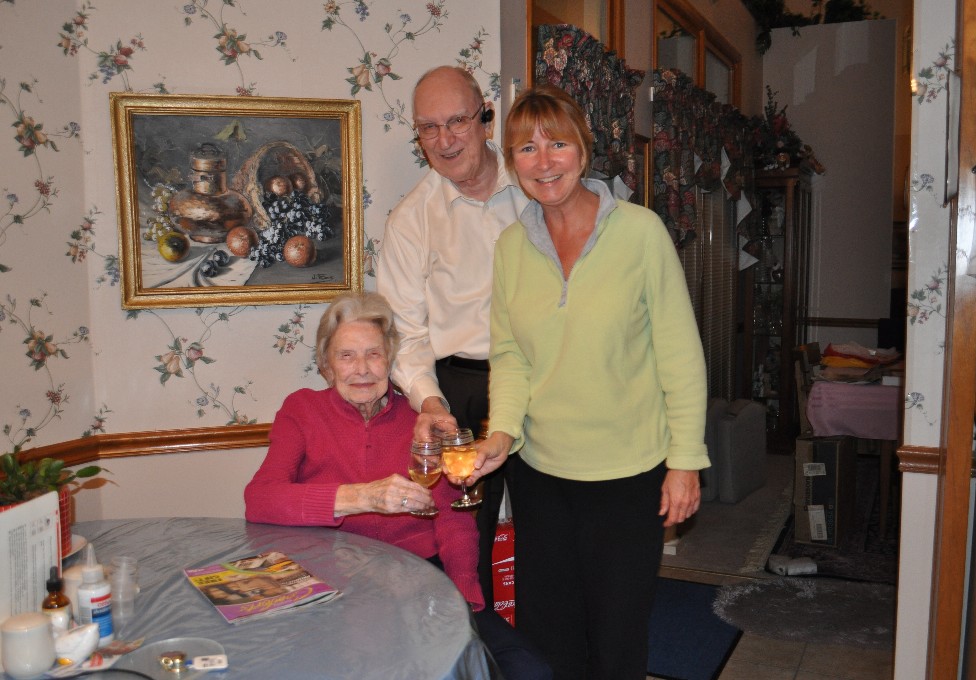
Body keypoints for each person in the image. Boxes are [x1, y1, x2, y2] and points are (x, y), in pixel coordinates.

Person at [465, 85, 711, 679]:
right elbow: (511, 356)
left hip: (628, 474)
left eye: (557, 144)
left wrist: (685, 460)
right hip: (541, 475)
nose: (544, 161)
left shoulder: (640, 232)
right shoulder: (511, 247)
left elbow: (680, 355)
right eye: (526, 148)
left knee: (616, 639)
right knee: (549, 636)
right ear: (512, 162)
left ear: (583, 149)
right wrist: (502, 433)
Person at [244, 291, 550, 680]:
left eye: (373, 354)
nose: (362, 369)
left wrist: (462, 599)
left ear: (390, 360)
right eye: (346, 356)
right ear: (326, 366)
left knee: (527, 668)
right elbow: (260, 499)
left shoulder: (420, 422)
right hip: (331, 586)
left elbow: (453, 520)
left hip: (418, 581)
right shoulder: (302, 410)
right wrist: (361, 497)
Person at [377, 65, 530, 608]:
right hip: (458, 391)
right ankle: (478, 643)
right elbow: (404, 330)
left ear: (485, 117)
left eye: (457, 122)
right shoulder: (410, 219)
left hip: (540, 379)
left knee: (552, 526)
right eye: (428, 128)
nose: (444, 141)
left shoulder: (538, 186)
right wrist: (431, 403)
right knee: (468, 541)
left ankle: (550, 646)